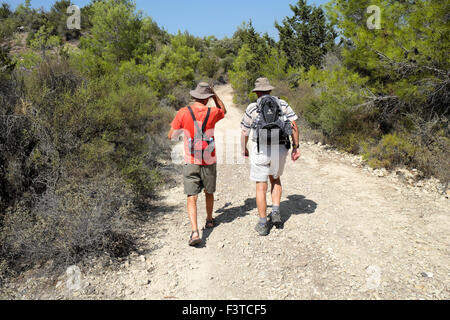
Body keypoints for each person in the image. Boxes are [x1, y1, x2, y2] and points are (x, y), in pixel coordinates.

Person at [168, 82, 227, 246]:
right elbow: (224, 110)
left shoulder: (183, 112)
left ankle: (195, 232)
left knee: (191, 196)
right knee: (209, 191)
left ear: (193, 96)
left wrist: (184, 132)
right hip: (209, 159)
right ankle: (209, 220)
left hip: (191, 160)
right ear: (207, 98)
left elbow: (171, 135)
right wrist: (214, 94)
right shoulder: (213, 112)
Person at [240, 78, 301, 236]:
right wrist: (296, 147)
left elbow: (244, 131)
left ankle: (262, 223)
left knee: (261, 185)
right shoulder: (283, 104)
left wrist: (244, 148)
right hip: (280, 147)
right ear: (270, 90)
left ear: (257, 92)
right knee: (275, 179)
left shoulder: (253, 107)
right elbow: (293, 125)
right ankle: (275, 211)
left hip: (261, 148)